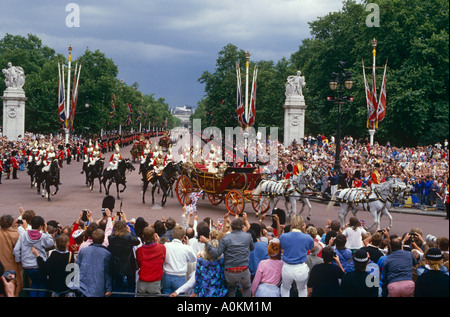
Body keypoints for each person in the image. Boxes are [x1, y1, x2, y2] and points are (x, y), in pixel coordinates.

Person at [200, 217, 254, 297]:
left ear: (231, 227)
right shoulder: (248, 236)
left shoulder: (225, 238)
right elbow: (252, 248)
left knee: (231, 287)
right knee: (247, 288)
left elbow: (216, 253)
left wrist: (207, 243)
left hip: (229, 272)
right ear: (242, 227)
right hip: (243, 270)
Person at [13, 215, 54, 297]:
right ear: (40, 226)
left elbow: (16, 250)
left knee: (34, 284)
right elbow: (51, 243)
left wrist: (19, 260)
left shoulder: (24, 235)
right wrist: (46, 231)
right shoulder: (42, 236)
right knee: (42, 284)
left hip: (27, 265)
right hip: (39, 265)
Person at [279, 215, 315, 297]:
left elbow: (281, 247)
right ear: (302, 224)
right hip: (300, 268)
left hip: (287, 267)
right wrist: (304, 231)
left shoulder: (284, 236)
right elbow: (310, 247)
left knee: (285, 288)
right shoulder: (307, 238)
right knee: (302, 289)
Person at [108, 215, 140, 296]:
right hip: (129, 263)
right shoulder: (128, 236)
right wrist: (131, 232)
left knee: (118, 285)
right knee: (131, 285)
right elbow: (137, 241)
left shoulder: (111, 237)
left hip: (117, 263)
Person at [76, 229, 112, 297]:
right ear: (103, 240)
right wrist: (108, 289)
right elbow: (107, 274)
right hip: (98, 288)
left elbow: (77, 268)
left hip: (83, 287)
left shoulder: (83, 251)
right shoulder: (107, 254)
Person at [161, 225, 196, 295]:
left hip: (167, 275)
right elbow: (193, 259)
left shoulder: (166, 245)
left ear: (173, 235)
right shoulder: (186, 248)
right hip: (180, 276)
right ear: (183, 237)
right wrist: (188, 245)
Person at [191, 231, 228, 297]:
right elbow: (224, 277)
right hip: (219, 292)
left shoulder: (200, 261)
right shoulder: (222, 261)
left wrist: (195, 291)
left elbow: (198, 279)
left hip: (204, 292)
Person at [136, 226, 166, 296]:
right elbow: (162, 259)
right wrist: (157, 242)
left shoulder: (139, 250)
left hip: (142, 281)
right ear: (154, 236)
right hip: (155, 282)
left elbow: (139, 264)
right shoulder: (161, 247)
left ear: (143, 236)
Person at [0, 214, 23, 296]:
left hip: (2, 264)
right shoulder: (15, 235)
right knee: (14, 287)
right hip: (11, 264)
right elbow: (19, 250)